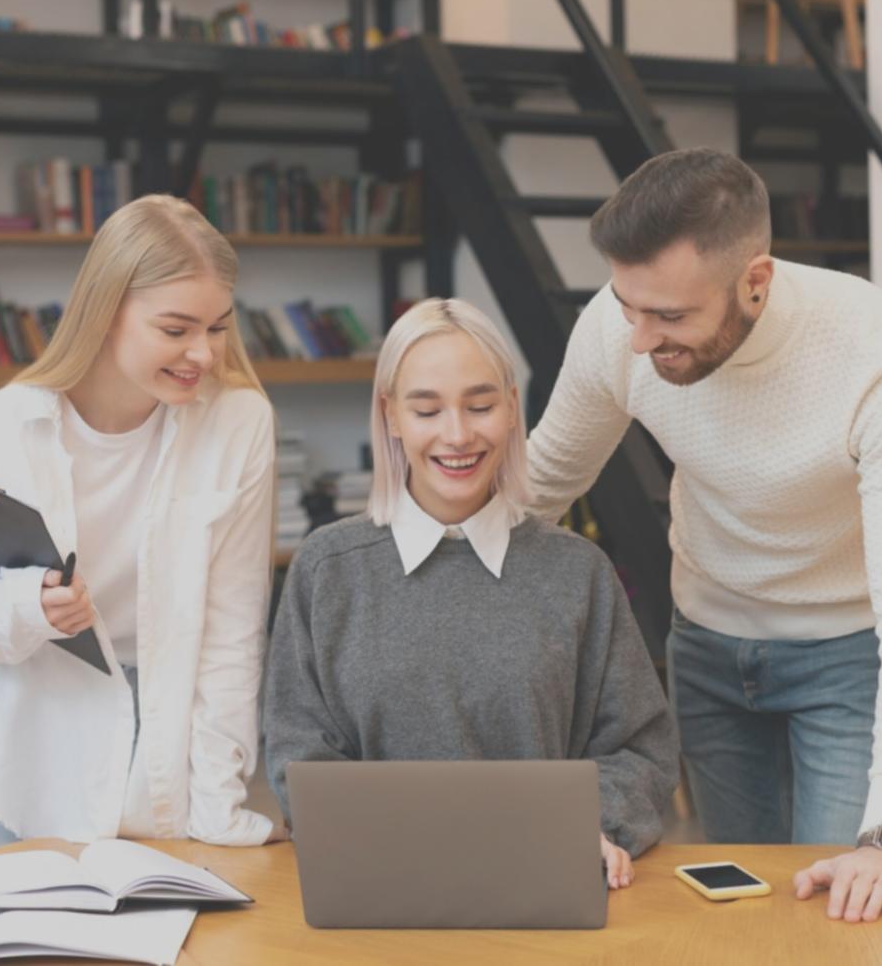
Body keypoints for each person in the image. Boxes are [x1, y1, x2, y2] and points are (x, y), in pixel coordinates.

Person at [526, 149, 882, 921]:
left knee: (841, 908)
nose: (639, 340)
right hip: (704, 646)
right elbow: (541, 485)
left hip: (846, 655)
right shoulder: (620, 325)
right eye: (630, 307)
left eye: (670, 317)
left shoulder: (881, 357)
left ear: (755, 281)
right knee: (739, 908)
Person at [0, 195, 284, 861]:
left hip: (145, 718)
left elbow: (231, 633)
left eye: (218, 328)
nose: (204, 354)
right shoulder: (0, 426)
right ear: (106, 313)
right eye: (176, 329)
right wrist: (23, 605)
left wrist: (220, 803)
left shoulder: (239, 423)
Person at [264, 298, 678, 889]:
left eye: (480, 405)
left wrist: (590, 827)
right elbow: (297, 754)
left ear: (512, 409)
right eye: (427, 410)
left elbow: (640, 749)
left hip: (543, 889)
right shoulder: (327, 571)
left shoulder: (578, 573)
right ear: (390, 416)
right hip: (378, 891)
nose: (457, 435)